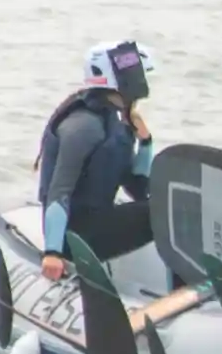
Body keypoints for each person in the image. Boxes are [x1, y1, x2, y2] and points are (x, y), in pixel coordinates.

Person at [37, 39, 159, 280]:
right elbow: (59, 190)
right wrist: (52, 252)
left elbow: (138, 189)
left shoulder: (114, 122)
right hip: (76, 237)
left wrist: (146, 144)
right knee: (165, 212)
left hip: (95, 221)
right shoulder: (84, 126)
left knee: (166, 207)